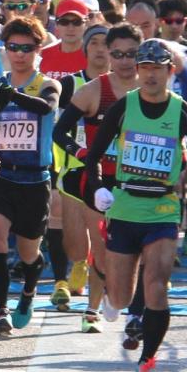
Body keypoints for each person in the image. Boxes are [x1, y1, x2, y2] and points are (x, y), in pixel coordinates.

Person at [81, 38, 187, 372]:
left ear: (170, 71)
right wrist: (99, 188)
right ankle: (110, 291)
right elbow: (92, 157)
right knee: (121, 297)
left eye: (158, 69)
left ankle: (148, 360)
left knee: (157, 286)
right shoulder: (124, 108)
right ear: (138, 71)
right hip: (125, 206)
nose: (151, 75)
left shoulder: (184, 112)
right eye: (145, 68)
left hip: (163, 209)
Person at [55, 24, 140, 332]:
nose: (124, 61)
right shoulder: (94, 90)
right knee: (102, 251)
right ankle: (92, 309)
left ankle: (131, 307)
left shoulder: (152, 88)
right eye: (117, 54)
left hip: (138, 182)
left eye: (131, 54)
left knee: (134, 251)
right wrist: (81, 154)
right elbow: (58, 131)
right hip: (98, 181)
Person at [0, 16, 60, 337]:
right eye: (13, 47)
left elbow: (46, 108)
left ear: (38, 50)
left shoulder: (47, 84)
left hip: (34, 180)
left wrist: (11, 95)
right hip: (0, 175)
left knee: (29, 252)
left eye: (27, 48)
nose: (20, 54)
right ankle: (1, 311)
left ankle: (28, 292)